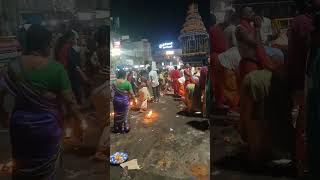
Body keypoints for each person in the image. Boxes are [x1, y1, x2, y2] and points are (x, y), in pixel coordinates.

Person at [0, 25, 86, 179]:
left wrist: (3, 114)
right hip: (47, 127)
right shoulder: (56, 69)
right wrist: (80, 121)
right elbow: (70, 102)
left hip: (19, 125)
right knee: (47, 169)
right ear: (46, 45)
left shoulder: (12, 66)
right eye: (50, 44)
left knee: (22, 166)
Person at [209, 14, 227, 108]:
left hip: (214, 57)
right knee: (219, 82)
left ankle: (215, 102)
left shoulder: (211, 31)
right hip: (220, 57)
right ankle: (218, 102)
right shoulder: (219, 31)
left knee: (213, 81)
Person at [112, 69, 135, 133]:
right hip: (124, 101)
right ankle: (126, 127)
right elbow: (132, 93)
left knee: (116, 114)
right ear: (125, 75)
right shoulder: (127, 83)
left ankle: (116, 128)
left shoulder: (114, 82)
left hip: (116, 101)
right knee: (126, 114)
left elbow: (112, 93)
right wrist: (134, 99)